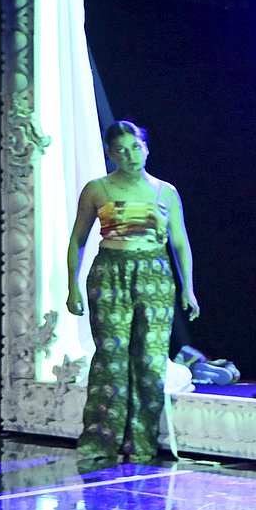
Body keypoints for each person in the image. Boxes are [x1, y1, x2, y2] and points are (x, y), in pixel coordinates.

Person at [65, 121, 200, 462]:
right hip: (110, 273)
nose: (130, 155)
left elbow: (180, 243)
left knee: (150, 360)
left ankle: (140, 443)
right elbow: (77, 240)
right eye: (121, 150)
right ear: (110, 153)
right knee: (111, 358)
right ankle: (102, 440)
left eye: (136, 147)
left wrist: (189, 288)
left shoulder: (165, 191)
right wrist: (72, 287)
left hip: (155, 275)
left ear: (147, 148)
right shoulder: (97, 189)